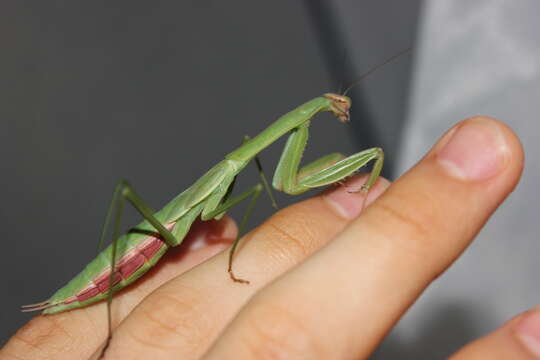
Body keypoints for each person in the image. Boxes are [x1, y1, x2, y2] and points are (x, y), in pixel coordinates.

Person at [2, 116, 535, 359]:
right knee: (126, 193)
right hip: (145, 241)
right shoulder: (247, 160)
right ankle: (109, 305)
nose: (339, 112)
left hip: (168, 234)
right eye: (332, 109)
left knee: (257, 183)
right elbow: (281, 184)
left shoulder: (250, 156)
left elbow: (280, 181)